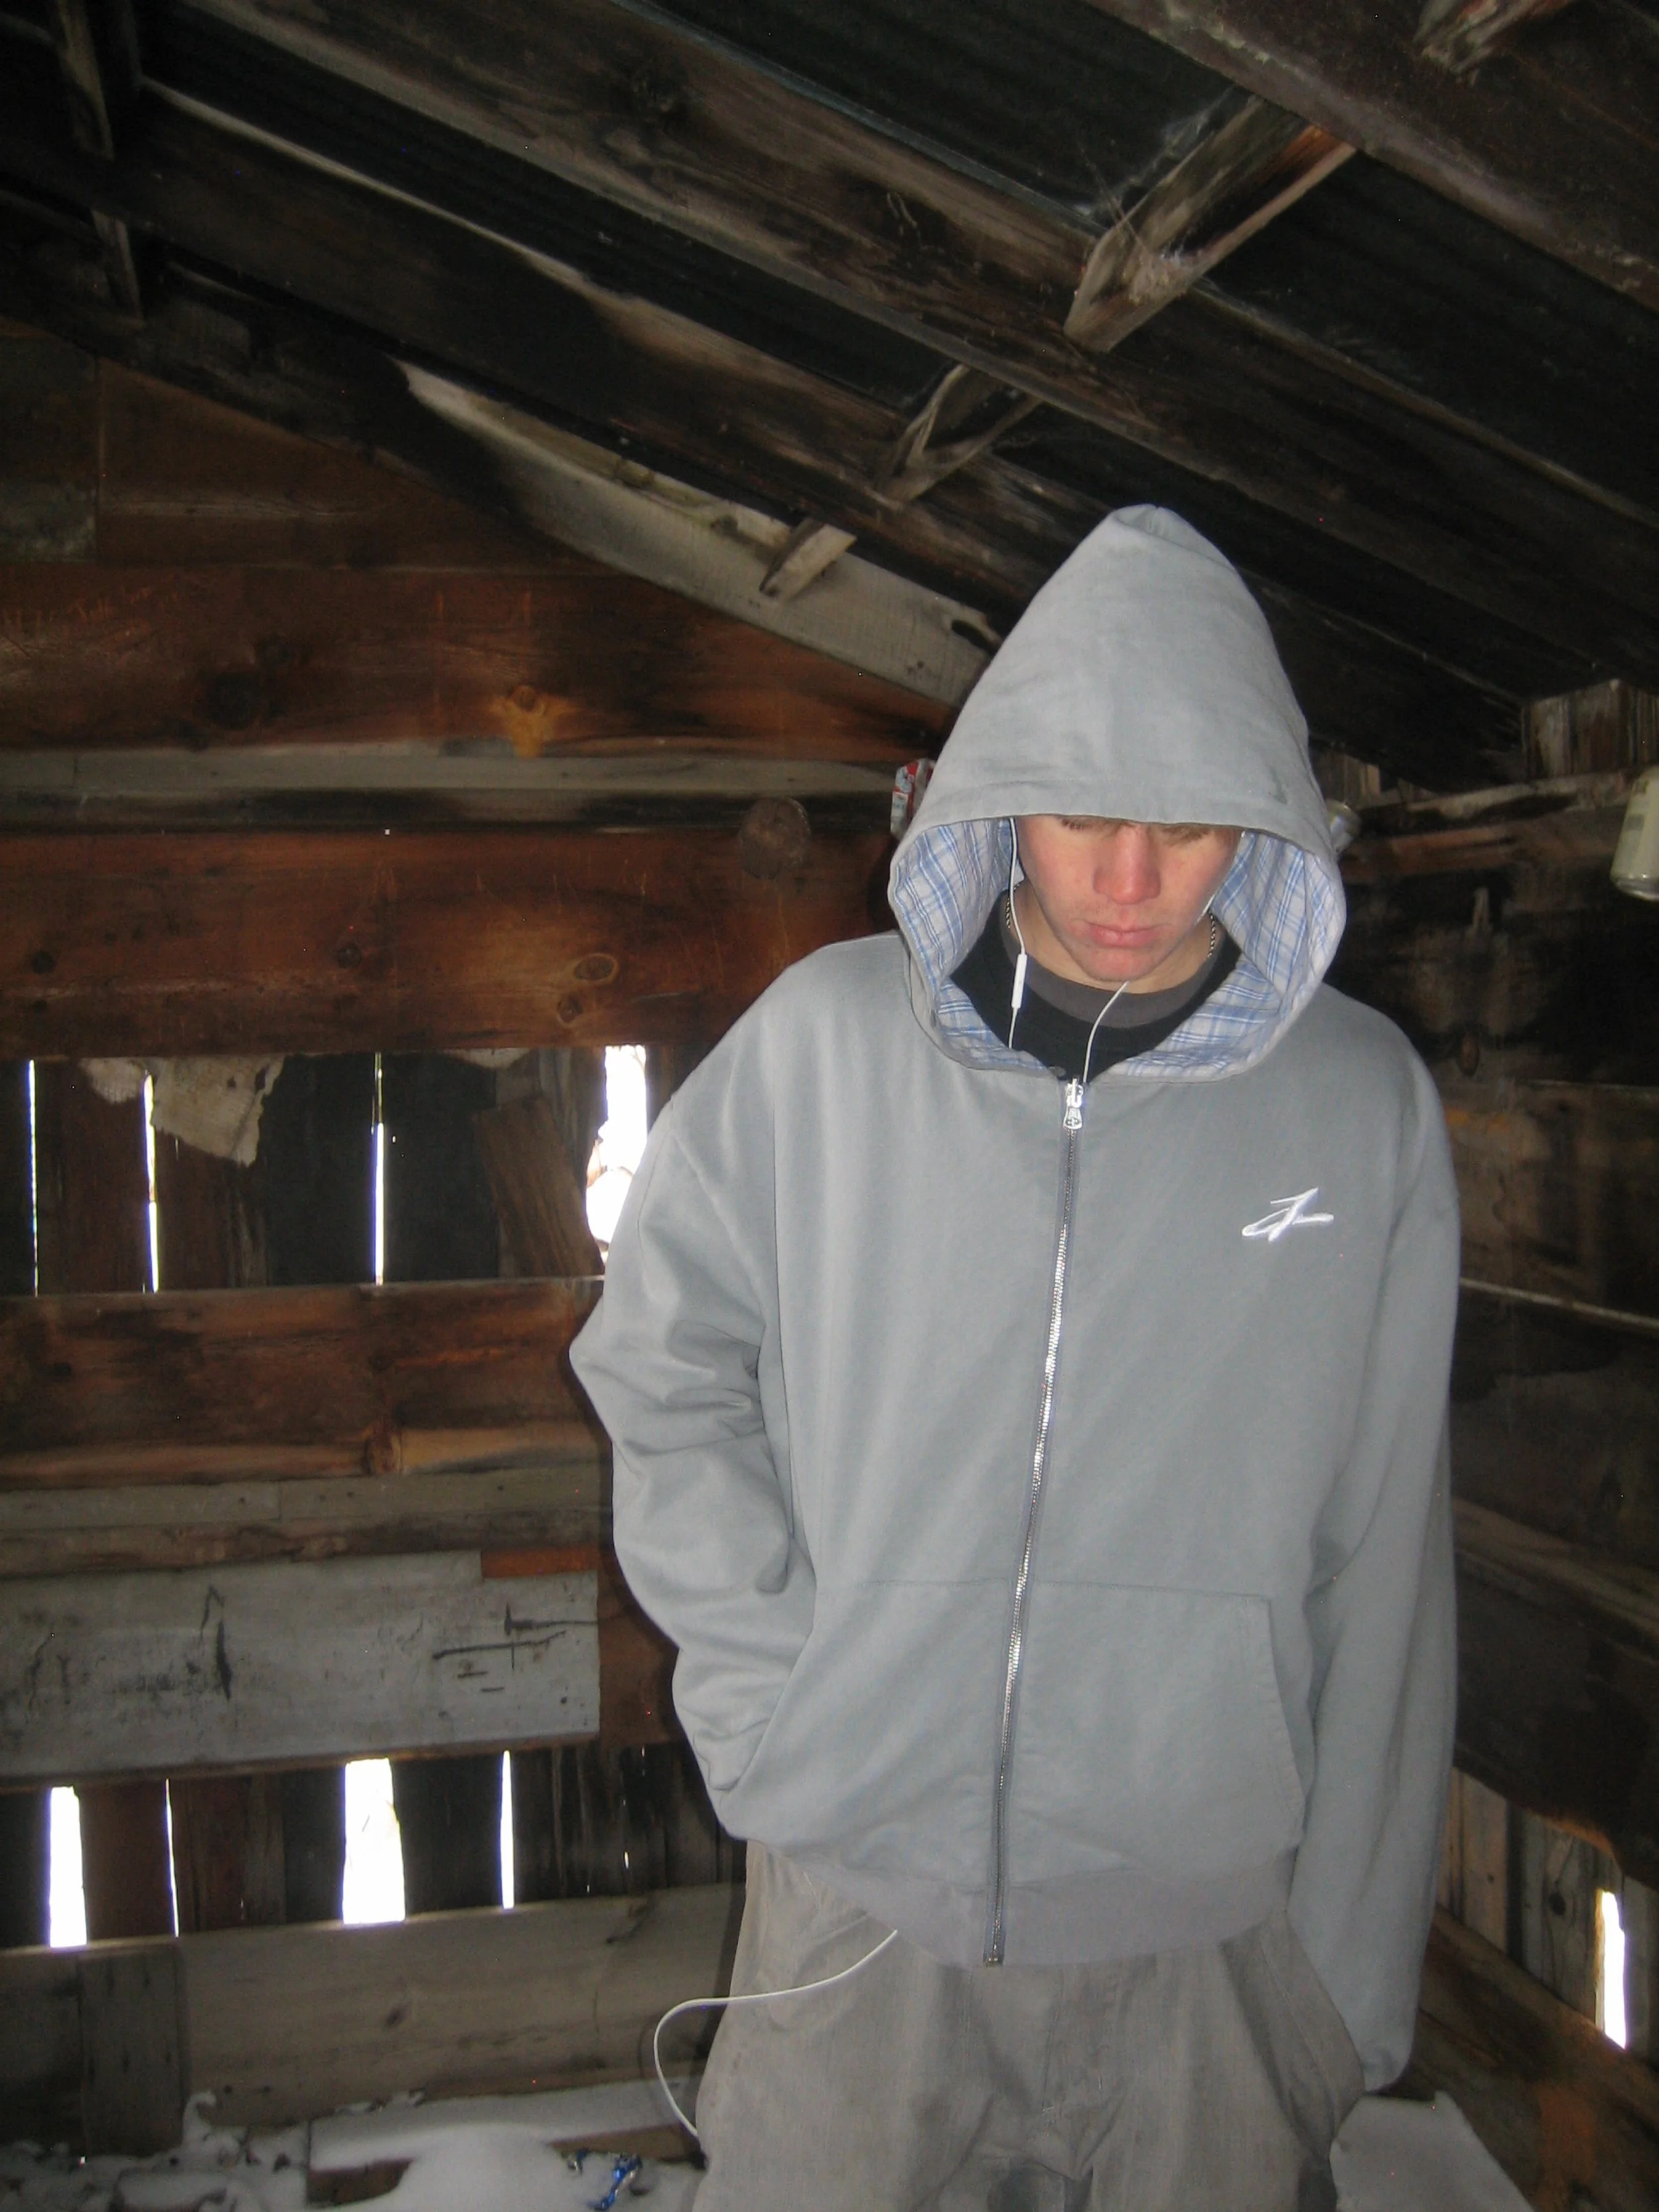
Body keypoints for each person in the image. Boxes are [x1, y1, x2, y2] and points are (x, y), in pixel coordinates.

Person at [571, 506, 1459, 2211]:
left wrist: (1334, 1984)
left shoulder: (1359, 1111)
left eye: (1186, 825)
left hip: (1207, 1952)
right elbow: (660, 1365)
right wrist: (774, 1710)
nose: (1127, 882)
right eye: (1074, 816)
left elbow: (1386, 1556)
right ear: (987, 804)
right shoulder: (821, 1051)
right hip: (857, 1925)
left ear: (1265, 821)